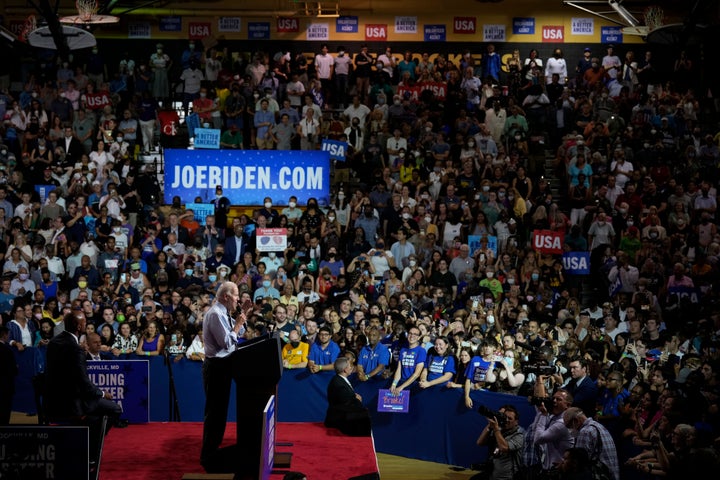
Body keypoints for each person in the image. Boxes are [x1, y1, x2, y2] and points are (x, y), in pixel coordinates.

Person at [44, 311, 123, 465]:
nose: (86, 324)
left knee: (95, 417)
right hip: (73, 403)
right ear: (79, 326)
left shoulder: (54, 342)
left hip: (52, 402)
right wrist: (101, 393)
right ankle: (91, 454)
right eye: (85, 322)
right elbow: (83, 383)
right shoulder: (77, 349)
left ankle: (86, 440)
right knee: (114, 409)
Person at [200, 282, 245, 469]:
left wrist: (242, 319)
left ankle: (214, 451)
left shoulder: (224, 313)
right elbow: (227, 342)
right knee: (215, 414)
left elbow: (239, 333)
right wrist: (238, 325)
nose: (239, 299)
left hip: (224, 367)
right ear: (226, 296)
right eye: (236, 296)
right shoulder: (216, 314)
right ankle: (208, 456)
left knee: (220, 412)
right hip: (216, 368)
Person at [563, 407, 620, 480]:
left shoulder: (585, 432)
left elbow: (579, 463)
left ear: (576, 421)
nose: (569, 430)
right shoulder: (598, 426)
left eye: (568, 426)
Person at [473, 404, 525, 480]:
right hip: (492, 475)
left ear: (516, 422)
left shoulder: (520, 434)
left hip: (508, 477)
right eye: (505, 417)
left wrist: (496, 429)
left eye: (510, 418)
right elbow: (480, 442)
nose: (506, 420)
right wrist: (490, 426)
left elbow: (504, 447)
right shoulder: (499, 430)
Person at [324, 356, 372, 436]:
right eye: (350, 366)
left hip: (342, 415)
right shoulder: (338, 384)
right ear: (345, 369)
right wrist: (357, 400)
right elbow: (346, 404)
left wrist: (354, 397)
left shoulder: (339, 379)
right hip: (339, 419)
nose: (352, 367)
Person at [390, 325, 426, 394]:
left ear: (419, 337)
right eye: (410, 333)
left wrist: (402, 387)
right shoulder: (403, 349)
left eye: (415, 334)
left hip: (413, 385)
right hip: (402, 382)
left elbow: (417, 374)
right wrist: (394, 384)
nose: (412, 336)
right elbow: (399, 369)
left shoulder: (421, 351)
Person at [0, 325, 17, 425]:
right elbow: (13, 370)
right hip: (5, 387)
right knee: (4, 413)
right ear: (5, 335)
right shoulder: (7, 350)